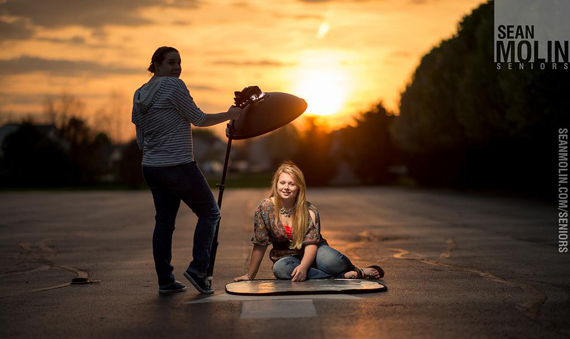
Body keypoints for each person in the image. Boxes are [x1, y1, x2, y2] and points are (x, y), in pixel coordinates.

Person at [132, 46, 242, 295]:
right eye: (171, 62)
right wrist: (230, 114)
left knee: (164, 224)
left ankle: (165, 281)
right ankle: (198, 270)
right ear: (156, 66)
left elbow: (140, 139)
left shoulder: (139, 94)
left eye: (179, 63)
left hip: (151, 167)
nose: (177, 68)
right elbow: (199, 119)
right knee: (210, 213)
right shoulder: (172, 86)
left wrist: (158, 147)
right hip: (178, 165)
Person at [234, 161, 384, 282]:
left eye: (291, 184)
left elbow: (311, 245)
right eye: (282, 183)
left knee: (333, 261)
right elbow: (260, 245)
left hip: (315, 251)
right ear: (276, 184)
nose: (286, 187)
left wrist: (304, 267)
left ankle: (357, 271)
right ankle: (340, 277)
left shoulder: (309, 211)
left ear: (299, 187)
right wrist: (250, 275)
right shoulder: (265, 208)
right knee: (280, 270)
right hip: (286, 258)